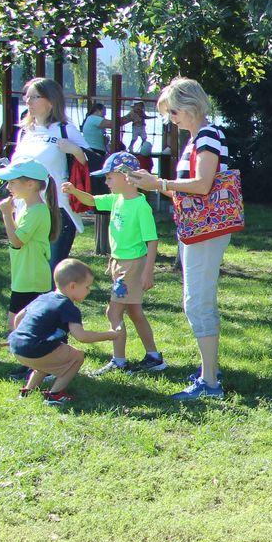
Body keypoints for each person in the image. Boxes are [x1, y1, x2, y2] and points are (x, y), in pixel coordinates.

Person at [126, 78, 231, 400]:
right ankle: (209, 371)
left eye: (172, 112)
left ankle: (210, 383)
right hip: (198, 229)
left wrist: (158, 183)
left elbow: (202, 185)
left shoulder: (207, 136)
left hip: (205, 231)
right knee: (199, 302)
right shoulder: (200, 138)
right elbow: (193, 188)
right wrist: (155, 183)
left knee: (197, 303)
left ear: (190, 106)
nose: (171, 118)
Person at [62, 152, 166, 375]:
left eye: (109, 177)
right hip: (120, 265)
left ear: (126, 176)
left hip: (132, 266)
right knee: (135, 312)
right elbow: (91, 200)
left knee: (113, 312)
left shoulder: (140, 206)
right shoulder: (116, 200)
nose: (106, 182)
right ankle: (154, 357)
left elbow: (152, 241)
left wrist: (148, 272)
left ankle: (119, 360)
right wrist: (74, 191)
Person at [8, 259, 124, 407]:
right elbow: (81, 336)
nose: (89, 291)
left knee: (45, 361)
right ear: (73, 286)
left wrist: (24, 336)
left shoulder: (43, 297)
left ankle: (27, 391)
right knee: (77, 356)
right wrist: (110, 335)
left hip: (17, 346)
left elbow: (18, 318)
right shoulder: (68, 307)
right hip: (36, 348)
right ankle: (55, 395)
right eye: (87, 287)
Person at [5, 78, 88, 270]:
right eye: (26, 97)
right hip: (25, 209)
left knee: (51, 273)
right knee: (27, 270)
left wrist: (75, 150)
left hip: (56, 209)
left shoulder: (65, 129)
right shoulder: (25, 132)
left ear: (51, 101)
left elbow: (92, 163)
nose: (28, 101)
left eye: (34, 97)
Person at [0, 160, 59, 380]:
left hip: (32, 278)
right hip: (24, 276)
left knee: (22, 325)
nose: (8, 187)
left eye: (13, 182)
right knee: (19, 324)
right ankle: (32, 363)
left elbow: (17, 241)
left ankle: (43, 366)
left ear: (31, 184)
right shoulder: (29, 208)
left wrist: (6, 214)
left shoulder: (37, 211)